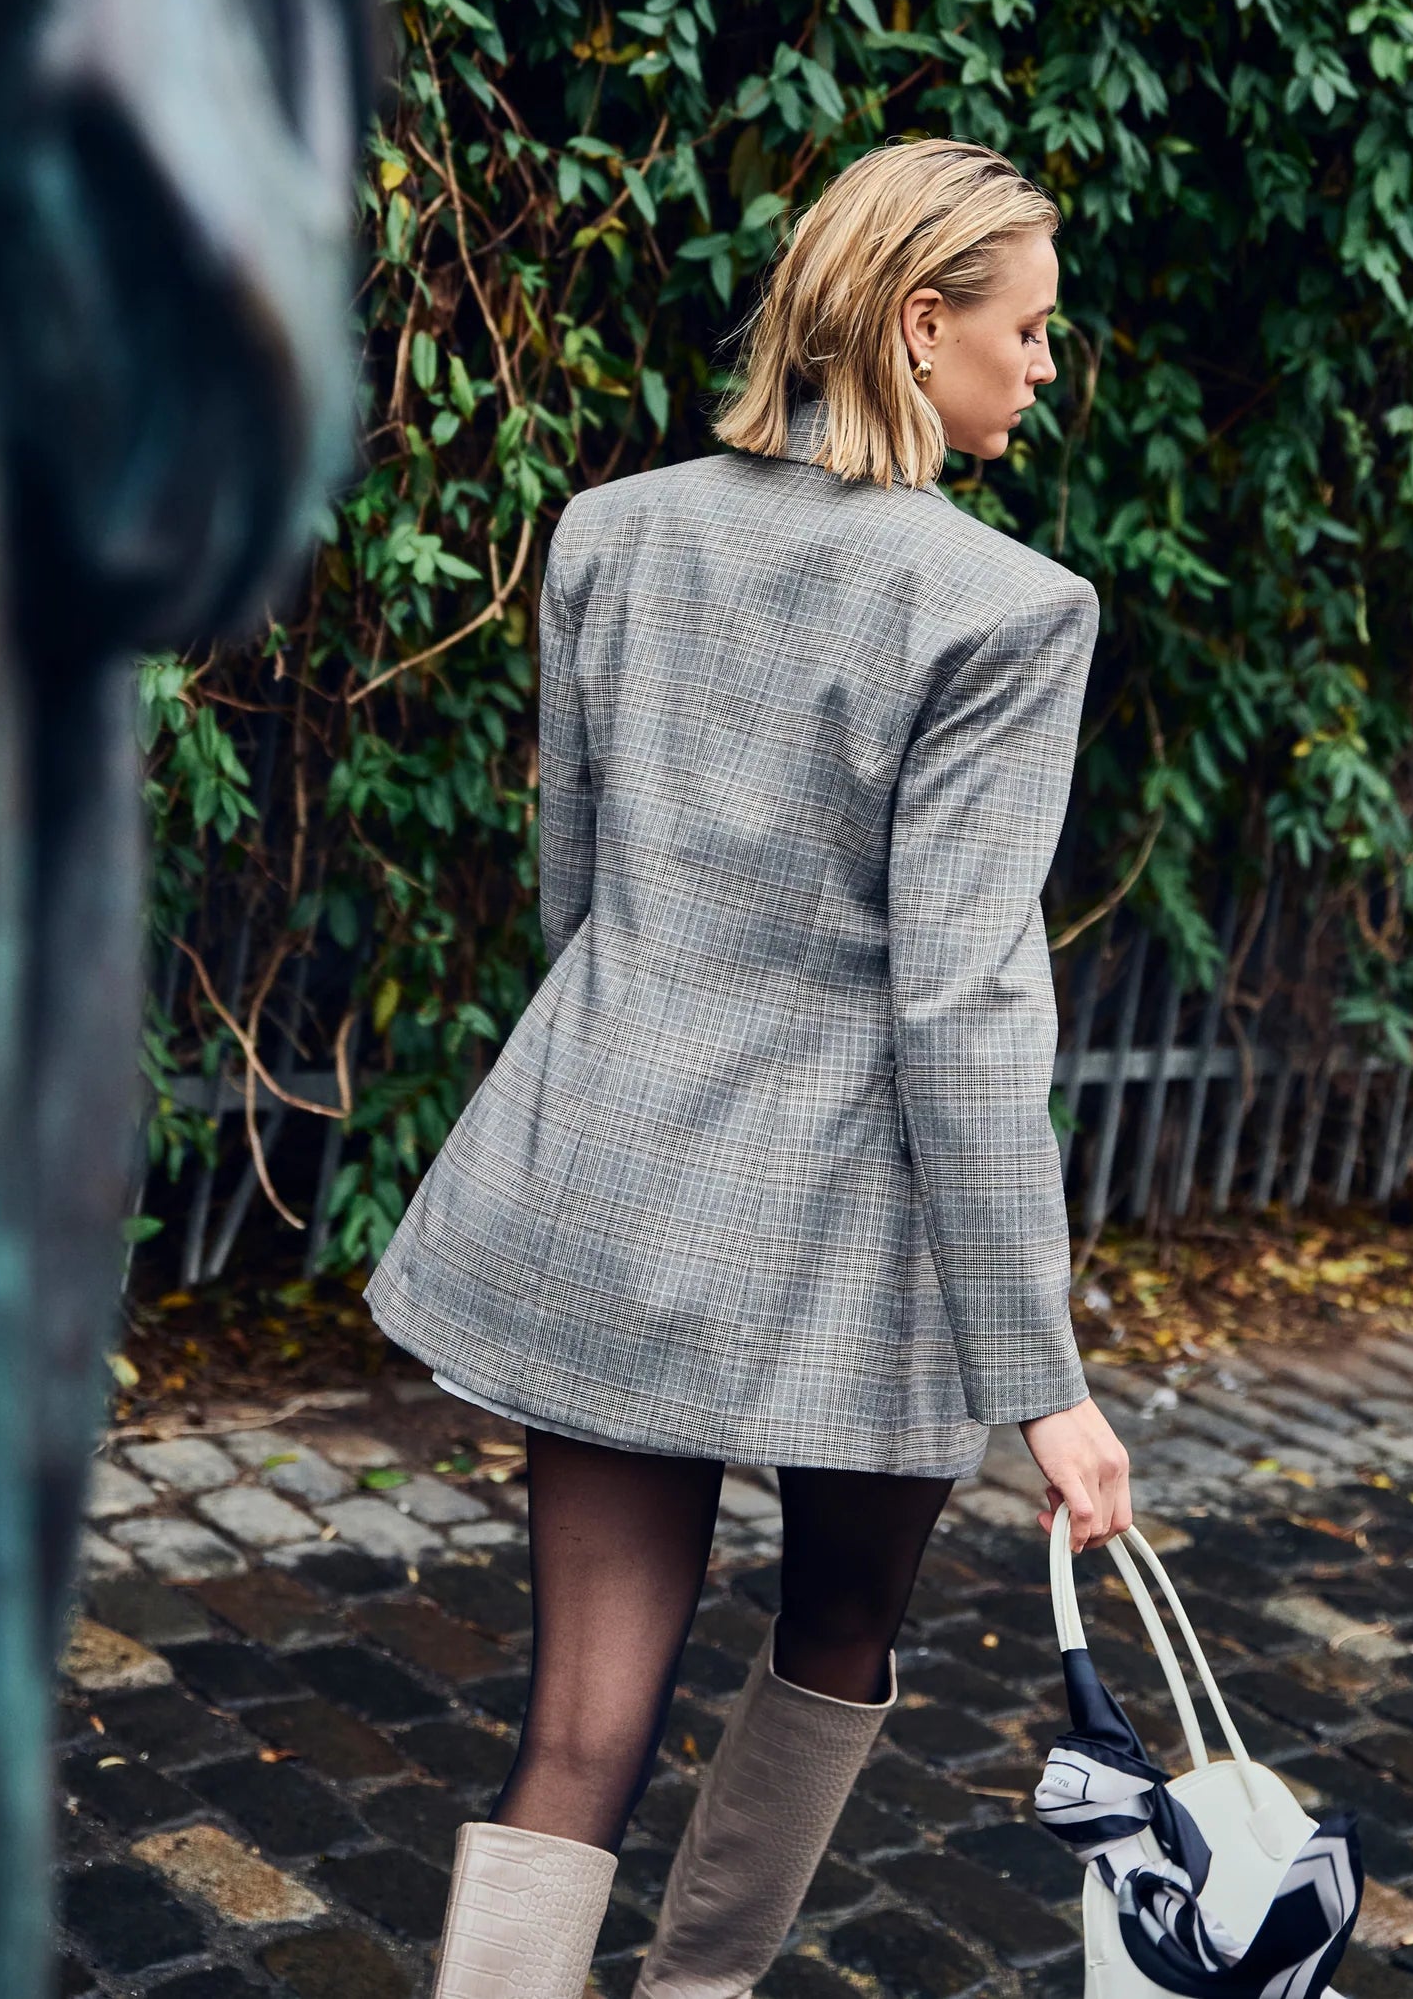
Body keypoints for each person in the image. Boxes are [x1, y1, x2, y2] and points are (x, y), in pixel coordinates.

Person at [366, 137, 1134, 1998]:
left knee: (578, 1715)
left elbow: (577, 889)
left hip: (612, 1170)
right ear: (921, 323)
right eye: (1030, 329)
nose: (1047, 366)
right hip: (854, 1234)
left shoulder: (612, 532)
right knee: (841, 1635)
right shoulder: (1006, 607)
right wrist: (1042, 1382)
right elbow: (963, 1008)